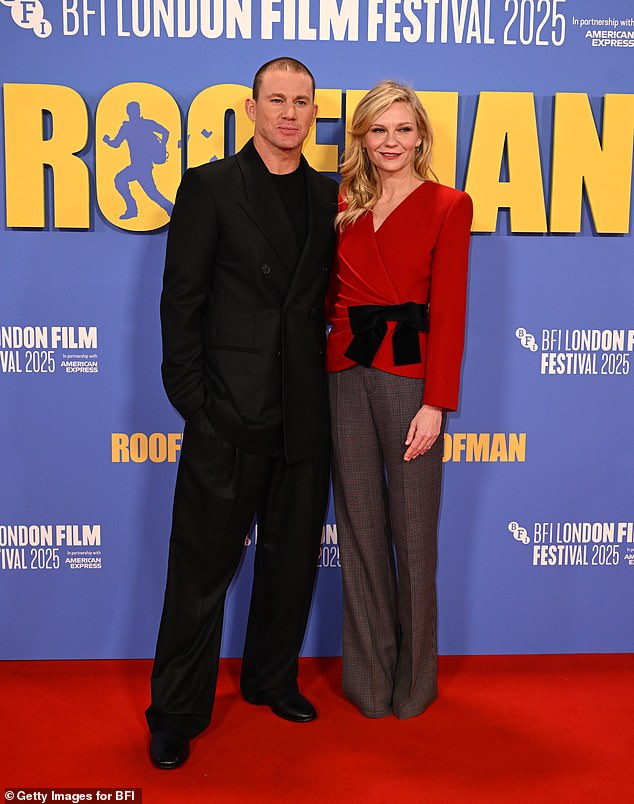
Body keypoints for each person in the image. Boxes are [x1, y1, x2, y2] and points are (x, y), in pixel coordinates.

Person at [146, 57, 338, 769]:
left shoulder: (327, 195)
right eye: (277, 100)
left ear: (313, 112)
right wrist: (195, 403)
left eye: (302, 102)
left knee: (290, 564)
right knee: (199, 571)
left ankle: (270, 680)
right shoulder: (211, 186)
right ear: (251, 109)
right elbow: (181, 301)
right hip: (227, 411)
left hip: (305, 412)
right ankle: (176, 712)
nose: (290, 113)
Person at [326, 80, 472, 720]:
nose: (391, 142)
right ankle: (368, 681)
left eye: (403, 130)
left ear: (420, 137)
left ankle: (415, 682)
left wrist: (437, 403)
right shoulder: (342, 204)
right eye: (378, 130)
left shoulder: (449, 204)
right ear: (362, 138)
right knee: (359, 530)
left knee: (413, 533)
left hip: (411, 380)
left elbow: (452, 309)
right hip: (343, 372)